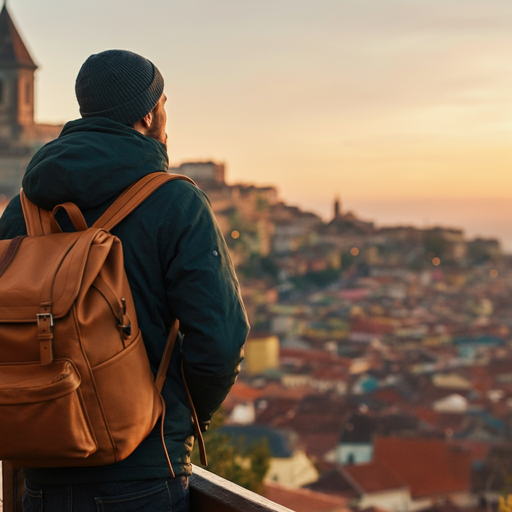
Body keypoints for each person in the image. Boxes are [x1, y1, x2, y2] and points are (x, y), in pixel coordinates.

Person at [0, 49, 249, 512]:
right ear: (151, 113)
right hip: (143, 472)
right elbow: (220, 343)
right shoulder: (176, 202)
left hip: (39, 475)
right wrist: (172, 421)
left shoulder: (23, 209)